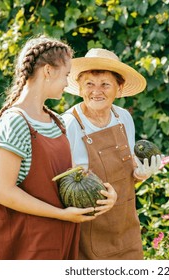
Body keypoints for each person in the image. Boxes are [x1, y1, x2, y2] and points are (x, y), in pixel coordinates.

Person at [0, 36, 117, 260]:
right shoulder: (15, 121)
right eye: (65, 75)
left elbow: (71, 179)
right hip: (31, 247)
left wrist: (104, 195)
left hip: (63, 241)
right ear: (47, 71)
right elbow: (3, 192)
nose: (67, 83)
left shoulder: (55, 121)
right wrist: (61, 214)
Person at [62, 48, 162, 260]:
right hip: (90, 233)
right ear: (80, 87)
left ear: (119, 88)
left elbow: (126, 174)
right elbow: (61, 186)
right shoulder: (69, 124)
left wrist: (140, 175)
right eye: (89, 83)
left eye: (105, 84)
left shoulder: (123, 117)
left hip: (127, 228)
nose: (96, 91)